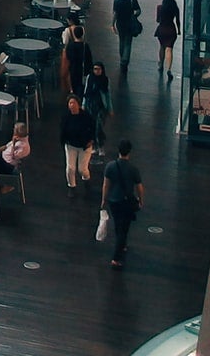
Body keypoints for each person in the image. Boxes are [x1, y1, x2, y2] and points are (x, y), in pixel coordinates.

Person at [100, 138, 145, 268]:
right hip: (126, 201)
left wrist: (104, 199)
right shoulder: (133, 169)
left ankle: (122, 244)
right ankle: (116, 257)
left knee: (118, 223)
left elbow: (105, 185)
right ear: (129, 152)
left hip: (113, 201)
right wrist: (141, 200)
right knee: (123, 229)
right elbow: (139, 187)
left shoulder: (110, 166)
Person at [60, 95, 97, 194]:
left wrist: (91, 140)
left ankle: (86, 179)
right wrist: (64, 141)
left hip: (84, 146)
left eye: (74, 103)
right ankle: (71, 187)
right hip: (71, 145)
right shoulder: (66, 117)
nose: (72, 105)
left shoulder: (86, 116)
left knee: (82, 169)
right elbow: (62, 131)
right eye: (70, 103)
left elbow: (93, 128)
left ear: (78, 105)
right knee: (70, 168)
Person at [111, 0, 143, 71]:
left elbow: (115, 14)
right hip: (130, 23)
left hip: (120, 24)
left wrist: (112, 24)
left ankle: (122, 59)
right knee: (128, 42)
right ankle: (125, 60)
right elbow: (138, 11)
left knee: (121, 41)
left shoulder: (116, 0)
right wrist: (134, 16)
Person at [82, 61, 113, 145]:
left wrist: (110, 109)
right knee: (91, 126)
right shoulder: (90, 78)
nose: (97, 71)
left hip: (101, 106)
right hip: (90, 105)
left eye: (99, 69)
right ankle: (94, 145)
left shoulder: (105, 80)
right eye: (95, 69)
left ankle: (100, 145)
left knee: (99, 126)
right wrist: (83, 105)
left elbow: (108, 95)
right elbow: (86, 91)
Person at [62, 19, 93, 97]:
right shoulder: (85, 46)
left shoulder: (70, 46)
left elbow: (68, 57)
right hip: (83, 71)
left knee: (74, 86)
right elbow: (89, 59)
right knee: (81, 87)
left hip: (73, 70)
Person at [155, 0, 182, 78]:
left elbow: (158, 20)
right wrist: (179, 30)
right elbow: (177, 21)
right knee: (169, 49)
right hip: (171, 29)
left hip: (162, 29)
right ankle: (169, 69)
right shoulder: (175, 8)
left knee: (162, 47)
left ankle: (161, 64)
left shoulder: (159, 7)